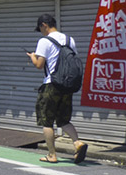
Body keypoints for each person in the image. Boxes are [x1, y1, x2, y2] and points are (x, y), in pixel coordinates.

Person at [27, 13, 88, 164]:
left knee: (47, 122)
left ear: (44, 25)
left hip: (51, 85)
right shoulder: (69, 40)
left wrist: (33, 57)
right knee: (63, 120)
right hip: (66, 86)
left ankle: (52, 155)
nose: (41, 31)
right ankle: (77, 143)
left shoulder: (44, 41)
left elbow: (39, 65)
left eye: (40, 28)